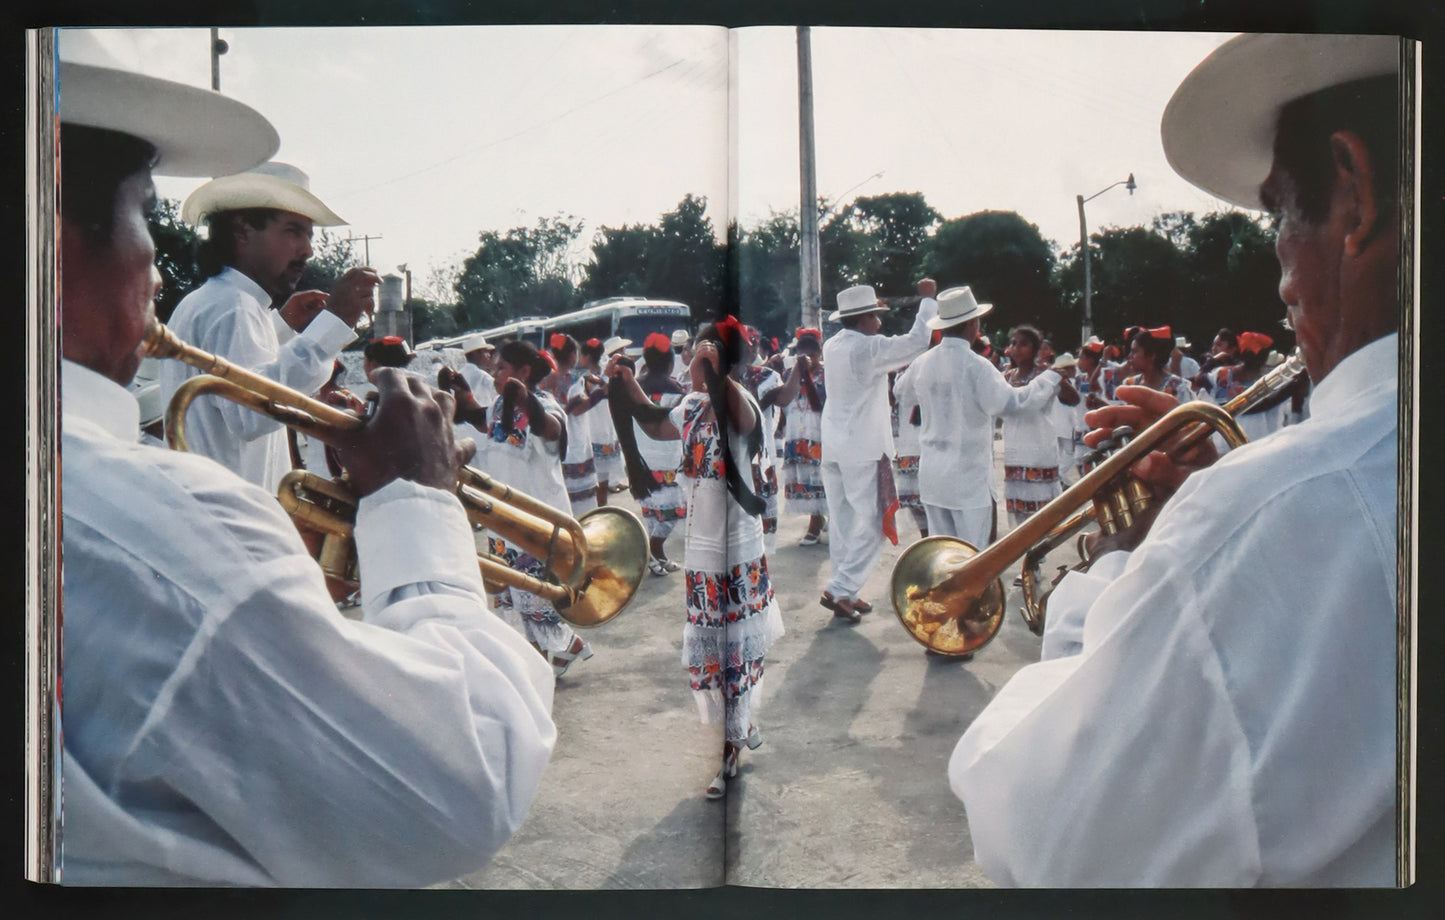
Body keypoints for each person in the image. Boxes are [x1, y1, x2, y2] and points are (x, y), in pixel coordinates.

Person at [55, 30, 555, 887]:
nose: (303, 248)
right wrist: (415, 499)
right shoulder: (220, 314)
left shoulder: (243, 313)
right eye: (289, 231)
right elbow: (461, 792)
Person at [948, 33, 1401, 886]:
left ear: (1354, 191)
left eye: (1277, 214)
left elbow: (1048, 841)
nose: (1279, 279)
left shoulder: (1271, 512)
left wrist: (1126, 555)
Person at [609, 318, 784, 799]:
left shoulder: (741, 403)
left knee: (734, 653)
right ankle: (735, 728)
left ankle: (727, 747)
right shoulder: (690, 407)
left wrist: (717, 369)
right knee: (710, 657)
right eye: (696, 354)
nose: (694, 362)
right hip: (702, 552)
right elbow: (653, 422)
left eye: (705, 354)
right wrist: (627, 385)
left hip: (739, 549)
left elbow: (743, 424)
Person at [158, 161, 381, 493]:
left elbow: (237, 372)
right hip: (235, 524)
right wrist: (332, 325)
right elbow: (250, 413)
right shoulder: (234, 308)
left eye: (309, 235)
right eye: (293, 231)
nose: (307, 249)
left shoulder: (210, 301)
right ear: (243, 231)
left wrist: (281, 326)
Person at [899, 288, 1060, 550]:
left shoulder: (923, 363)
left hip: (933, 476)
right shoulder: (977, 365)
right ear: (973, 324)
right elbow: (1012, 404)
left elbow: (900, 391)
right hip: (968, 479)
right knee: (972, 556)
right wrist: (1048, 380)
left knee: (943, 554)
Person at [818, 281, 938, 622]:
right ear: (863, 319)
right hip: (864, 448)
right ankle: (841, 588)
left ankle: (846, 592)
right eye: (875, 317)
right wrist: (927, 300)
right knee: (876, 519)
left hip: (835, 446)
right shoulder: (867, 350)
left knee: (843, 523)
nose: (880, 324)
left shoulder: (834, 345)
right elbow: (918, 341)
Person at [478, 340, 594, 677]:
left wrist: (526, 400)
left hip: (537, 525)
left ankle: (547, 664)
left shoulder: (545, 404)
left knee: (537, 602)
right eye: (494, 368)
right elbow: (479, 420)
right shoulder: (497, 407)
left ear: (524, 373)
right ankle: (552, 657)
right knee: (511, 603)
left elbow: (551, 429)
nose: (494, 374)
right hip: (503, 524)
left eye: (501, 368)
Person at [614, 333, 688, 574]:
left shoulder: (632, 386)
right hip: (668, 459)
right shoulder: (676, 389)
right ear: (669, 362)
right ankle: (652, 551)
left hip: (641, 459)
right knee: (672, 512)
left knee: (652, 511)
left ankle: (657, 555)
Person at [1000, 325, 1062, 531]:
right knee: (1020, 521)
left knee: (1040, 520)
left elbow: (1072, 397)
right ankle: (1029, 557)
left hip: (1039, 453)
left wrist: (1055, 378)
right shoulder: (1007, 377)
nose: (1016, 348)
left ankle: (1036, 556)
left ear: (1035, 349)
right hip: (1015, 455)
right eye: (1014, 343)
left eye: (1023, 344)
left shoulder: (1045, 375)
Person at [777, 327, 828, 545]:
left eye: (813, 355)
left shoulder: (825, 373)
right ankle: (816, 518)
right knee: (803, 477)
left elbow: (819, 404)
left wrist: (807, 375)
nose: (810, 359)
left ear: (819, 354)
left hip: (816, 429)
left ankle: (816, 524)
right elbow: (785, 400)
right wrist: (781, 425)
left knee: (818, 475)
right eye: (804, 355)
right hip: (796, 430)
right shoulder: (790, 373)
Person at [544, 333, 601, 515]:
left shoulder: (547, 380)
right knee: (584, 504)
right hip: (575, 440)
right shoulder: (573, 380)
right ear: (571, 356)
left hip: (556, 441)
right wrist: (599, 395)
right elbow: (577, 409)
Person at [1120, 325, 1196, 402]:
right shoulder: (1129, 385)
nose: (1130, 356)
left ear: (1151, 356)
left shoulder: (1178, 388)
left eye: (1134, 351)